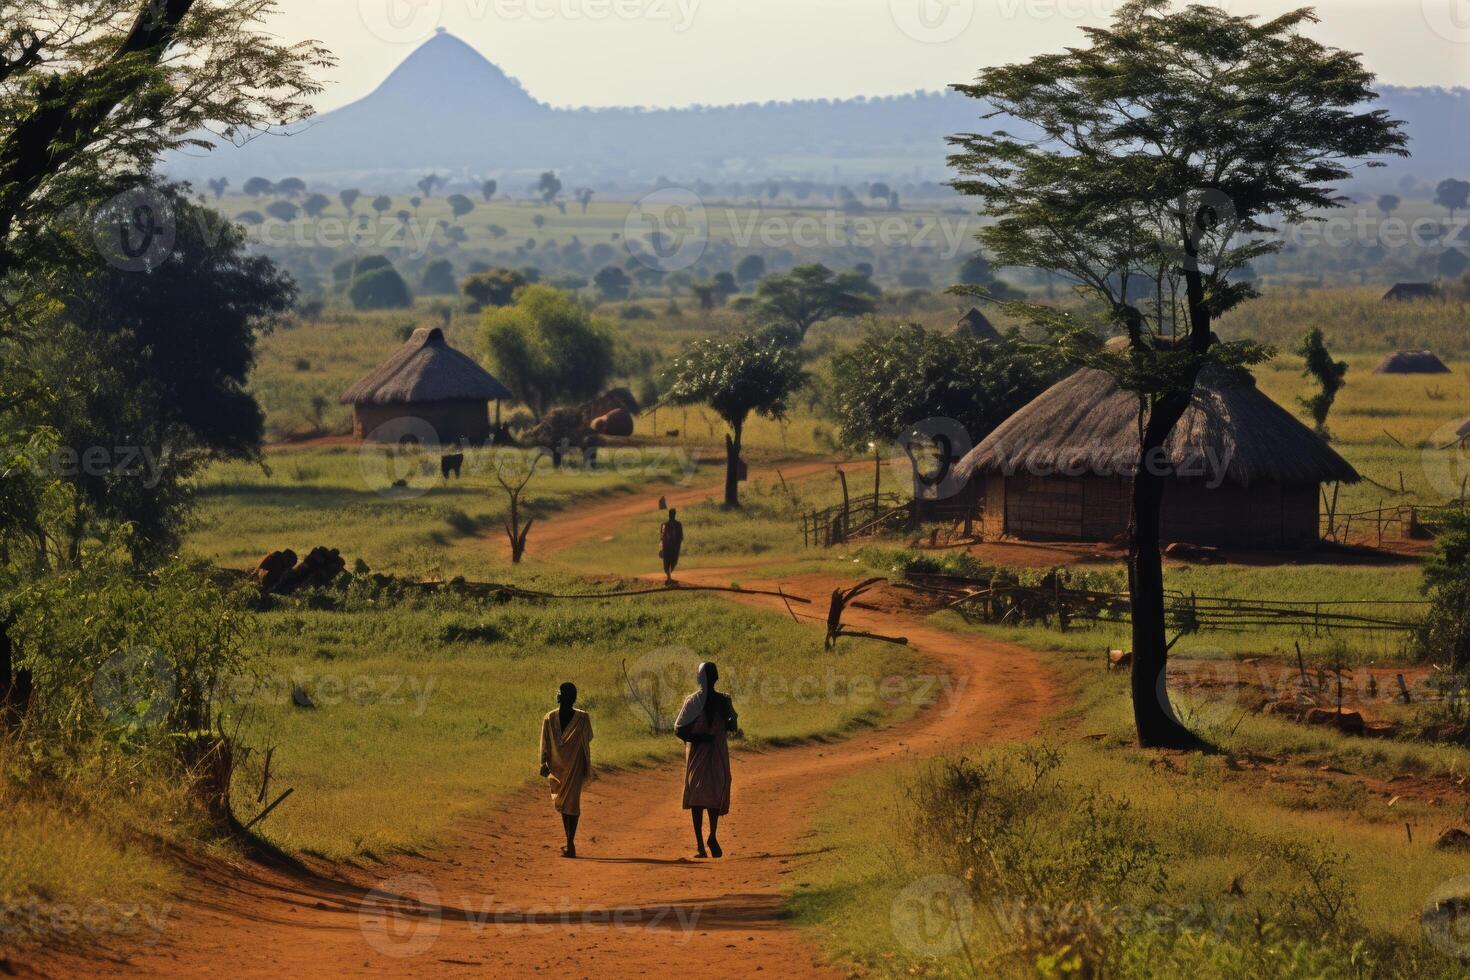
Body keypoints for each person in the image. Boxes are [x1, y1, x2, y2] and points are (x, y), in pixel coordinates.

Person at [674, 662, 738, 858]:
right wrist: (705, 737)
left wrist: (729, 719)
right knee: (710, 794)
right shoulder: (714, 701)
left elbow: (679, 730)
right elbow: (680, 729)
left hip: (705, 752)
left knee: (699, 797)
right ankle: (710, 837)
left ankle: (702, 844)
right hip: (709, 751)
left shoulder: (697, 701)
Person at [539, 682, 592, 858]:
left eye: (559, 692)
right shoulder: (582, 718)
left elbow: (544, 743)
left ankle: (570, 843)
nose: (557, 694)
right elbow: (588, 737)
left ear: (561, 696)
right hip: (574, 766)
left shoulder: (549, 717)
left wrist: (543, 763)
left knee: (566, 803)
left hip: (558, 767)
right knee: (571, 804)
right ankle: (570, 841)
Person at [659, 508, 684, 585]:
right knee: (669, 564)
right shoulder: (665, 525)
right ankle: (669, 579)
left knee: (671, 563)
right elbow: (662, 538)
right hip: (670, 548)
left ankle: (669, 578)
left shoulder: (667, 525)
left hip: (671, 548)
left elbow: (680, 537)